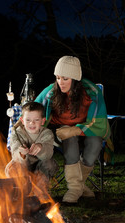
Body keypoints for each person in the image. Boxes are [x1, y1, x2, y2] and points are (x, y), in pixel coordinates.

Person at [35, 56, 111, 203]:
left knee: (95, 144)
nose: (60, 83)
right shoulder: (51, 92)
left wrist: (76, 130)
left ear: (75, 79)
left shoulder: (92, 92)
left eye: (65, 79)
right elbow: (33, 109)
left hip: (87, 130)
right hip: (60, 131)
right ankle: (76, 188)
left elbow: (99, 122)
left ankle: (77, 187)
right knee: (69, 138)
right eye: (57, 78)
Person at [5, 101, 58, 181]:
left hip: (40, 165)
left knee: (49, 164)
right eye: (28, 120)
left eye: (36, 120)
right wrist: (21, 153)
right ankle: (21, 190)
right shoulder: (16, 133)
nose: (32, 123)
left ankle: (40, 191)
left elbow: (48, 154)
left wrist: (41, 147)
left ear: (43, 121)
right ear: (22, 121)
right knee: (12, 168)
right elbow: (14, 150)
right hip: (23, 165)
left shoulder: (47, 133)